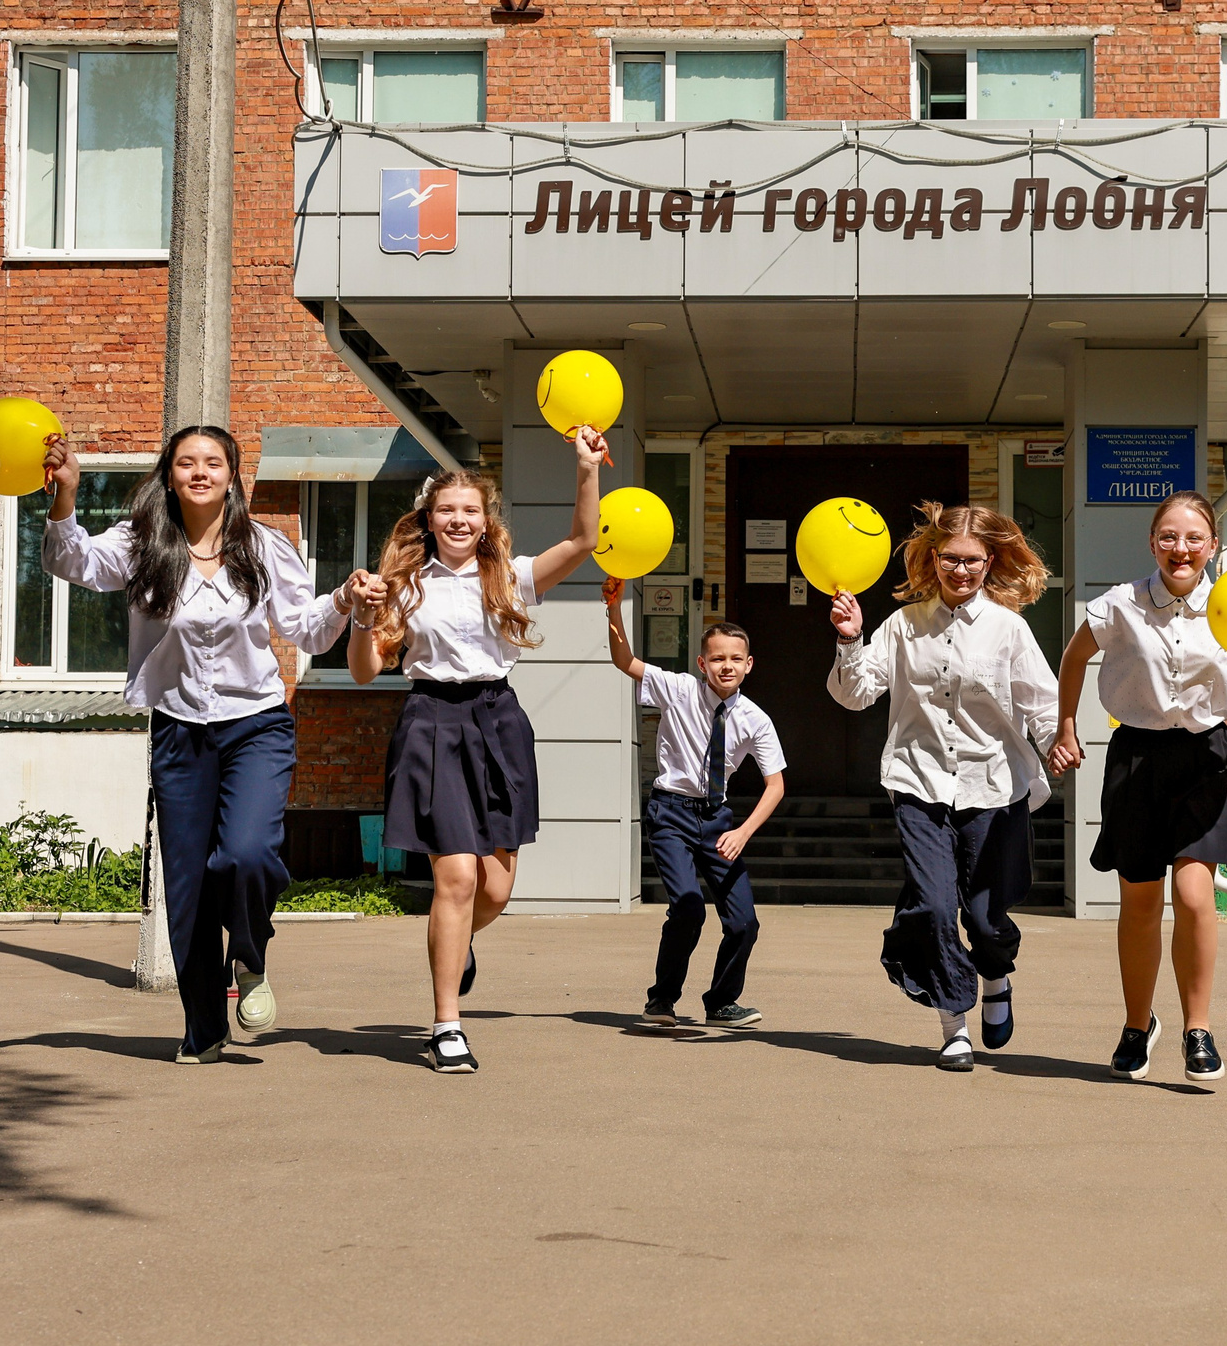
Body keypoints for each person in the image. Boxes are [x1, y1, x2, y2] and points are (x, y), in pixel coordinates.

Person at [40, 425, 362, 1066]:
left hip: (256, 726)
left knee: (246, 853)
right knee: (187, 884)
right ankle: (204, 1029)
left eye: (213, 462)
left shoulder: (264, 547)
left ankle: (250, 952)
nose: (199, 472)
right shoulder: (141, 543)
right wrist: (66, 494)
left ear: (231, 475)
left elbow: (307, 630)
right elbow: (70, 561)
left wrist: (344, 599)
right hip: (180, 729)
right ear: (170, 474)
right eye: (186, 462)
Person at [345, 432, 606, 1073]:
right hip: (432, 723)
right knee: (456, 878)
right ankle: (447, 1025)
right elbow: (363, 671)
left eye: (470, 511)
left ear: (486, 522)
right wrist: (360, 616)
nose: (459, 520)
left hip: (498, 724)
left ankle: (456, 941)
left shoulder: (512, 577)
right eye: (447, 510)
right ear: (428, 519)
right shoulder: (401, 584)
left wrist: (586, 468)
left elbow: (583, 541)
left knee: (494, 889)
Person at [1048, 489, 1227, 1084]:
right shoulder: (1121, 604)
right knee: (1141, 901)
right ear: (1152, 543)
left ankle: (1198, 1028)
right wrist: (1065, 726)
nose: (1181, 548)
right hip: (1136, 760)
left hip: (1206, 760)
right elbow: (1073, 659)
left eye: (1194, 538)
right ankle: (1136, 1025)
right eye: (1169, 536)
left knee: (1195, 896)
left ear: (1213, 546)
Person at [828, 502, 1058, 1071]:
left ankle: (996, 973)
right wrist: (850, 640)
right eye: (951, 559)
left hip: (994, 784)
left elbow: (1042, 703)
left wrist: (1059, 741)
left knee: (985, 917)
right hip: (919, 779)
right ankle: (953, 1024)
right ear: (933, 559)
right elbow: (854, 695)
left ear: (989, 563)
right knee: (932, 907)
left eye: (972, 560)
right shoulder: (904, 625)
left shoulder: (1008, 628)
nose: (961, 570)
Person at [602, 578, 787, 1031]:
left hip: (718, 821)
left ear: (749, 665)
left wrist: (742, 832)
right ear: (703, 663)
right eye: (717, 658)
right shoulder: (679, 689)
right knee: (687, 906)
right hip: (671, 813)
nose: (727, 666)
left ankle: (721, 1001)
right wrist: (614, 608)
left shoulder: (756, 719)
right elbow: (624, 660)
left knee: (744, 922)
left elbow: (775, 785)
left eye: (735, 659)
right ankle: (661, 999)